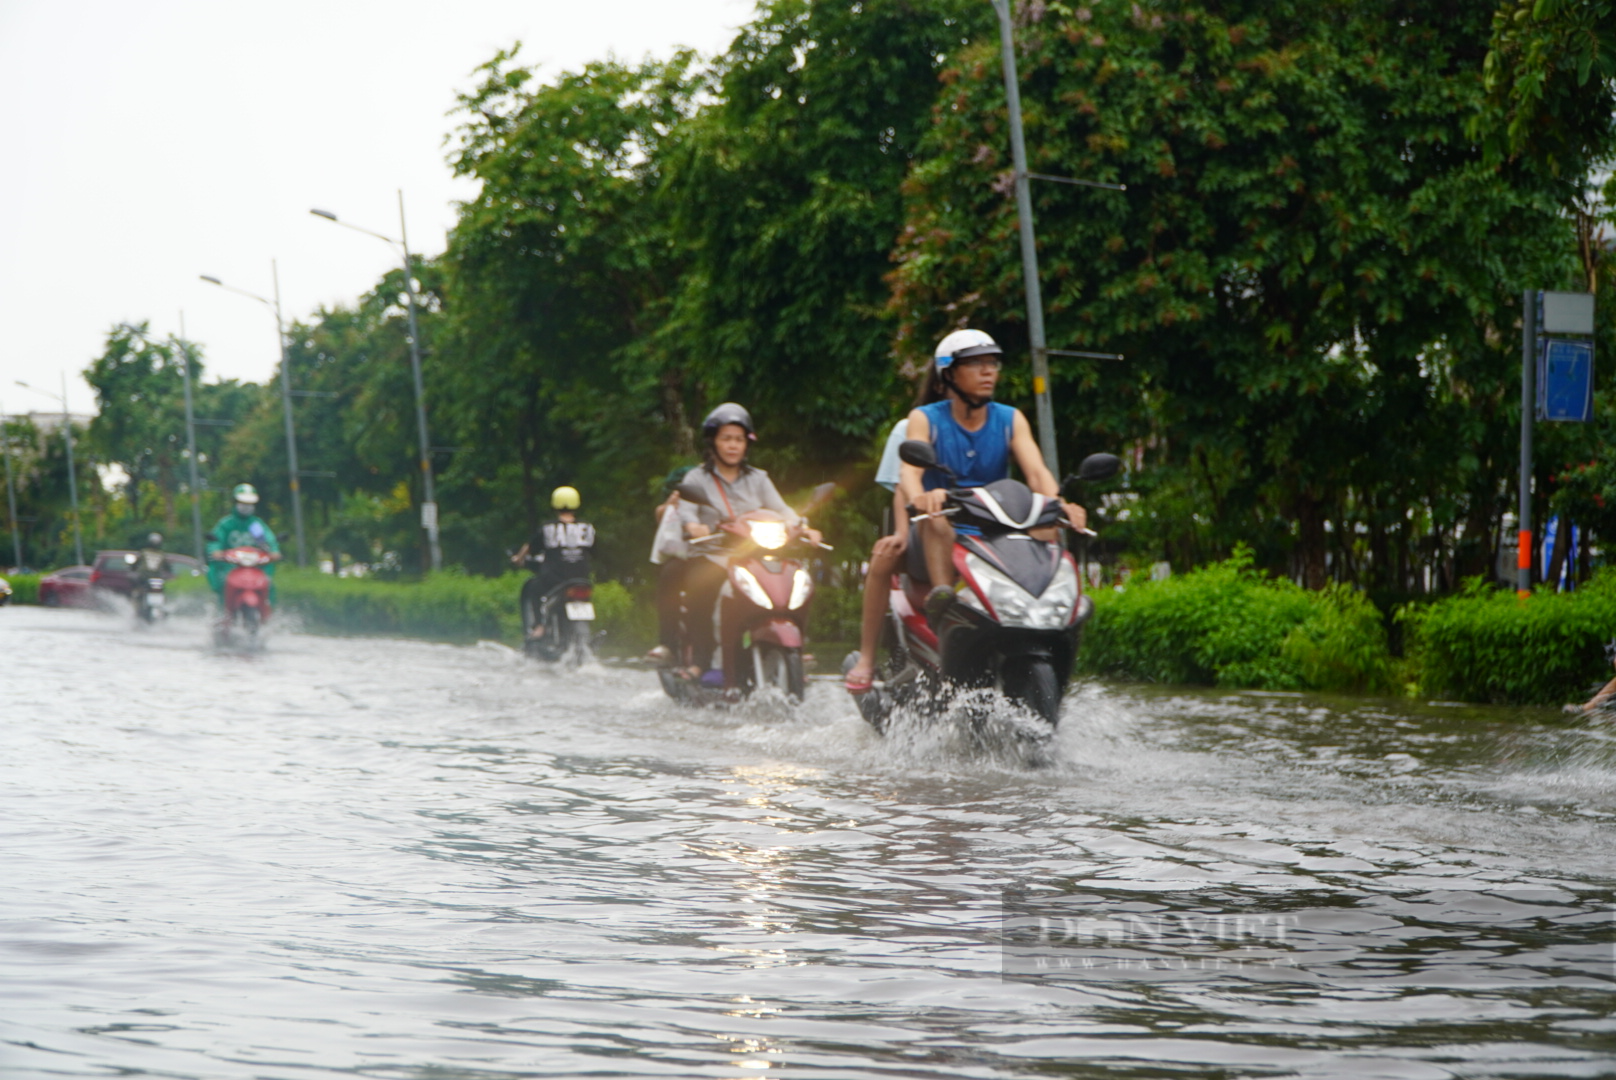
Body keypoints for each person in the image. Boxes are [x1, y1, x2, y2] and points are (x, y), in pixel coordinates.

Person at [843, 329, 1086, 693]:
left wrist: (1060, 504)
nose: (989, 371)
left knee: (1047, 524)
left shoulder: (1010, 418)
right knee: (898, 548)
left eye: (992, 363)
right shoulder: (924, 418)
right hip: (941, 529)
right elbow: (910, 473)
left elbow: (1036, 472)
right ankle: (933, 611)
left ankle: (1053, 614)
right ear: (949, 375)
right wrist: (921, 497)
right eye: (976, 364)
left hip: (997, 534)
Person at [677, 403, 821, 680]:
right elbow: (687, 512)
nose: (733, 445)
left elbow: (783, 510)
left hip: (756, 555)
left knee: (797, 582)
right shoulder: (697, 478)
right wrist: (693, 526)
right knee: (701, 585)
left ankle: (796, 645)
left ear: (747, 444)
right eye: (726, 438)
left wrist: (805, 527)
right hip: (714, 554)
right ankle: (702, 659)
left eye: (739, 439)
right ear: (713, 442)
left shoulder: (759, 478)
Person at [511, 486, 596, 639]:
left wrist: (519, 558)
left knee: (535, 588)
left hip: (555, 579)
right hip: (582, 579)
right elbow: (595, 551)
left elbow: (530, 546)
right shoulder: (588, 528)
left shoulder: (548, 527)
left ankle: (540, 626)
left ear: (555, 504)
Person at [648, 464, 695, 664]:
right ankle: (667, 644)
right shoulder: (674, 504)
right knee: (669, 575)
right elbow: (661, 514)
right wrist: (673, 504)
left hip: (724, 557)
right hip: (689, 558)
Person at [206, 483, 280, 601]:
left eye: (250, 504)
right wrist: (216, 551)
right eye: (243, 503)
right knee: (222, 584)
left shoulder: (256, 526)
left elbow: (268, 541)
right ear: (235, 502)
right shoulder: (226, 524)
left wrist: (274, 551)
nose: (246, 506)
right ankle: (222, 611)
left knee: (269, 585)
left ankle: (268, 612)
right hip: (229, 567)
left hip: (255, 567)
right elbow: (216, 541)